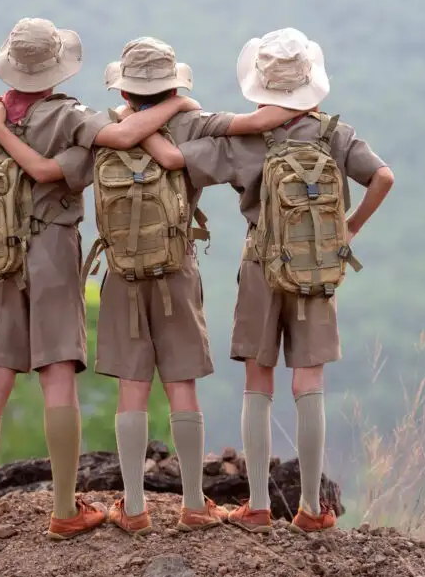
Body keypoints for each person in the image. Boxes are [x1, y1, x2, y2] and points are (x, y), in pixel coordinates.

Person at [0, 18, 200, 542]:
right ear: (57, 69)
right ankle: (62, 509)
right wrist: (176, 104)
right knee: (57, 375)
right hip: (53, 252)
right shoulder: (70, 116)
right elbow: (123, 135)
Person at [0, 36, 299, 535]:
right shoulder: (195, 122)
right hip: (177, 272)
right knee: (181, 384)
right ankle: (194, 503)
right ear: (172, 83)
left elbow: (52, 174)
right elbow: (257, 124)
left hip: (121, 276)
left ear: (125, 91)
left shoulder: (105, 128)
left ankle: (132, 509)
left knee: (132, 388)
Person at [136, 27, 395, 534]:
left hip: (259, 262)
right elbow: (383, 176)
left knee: (259, 378)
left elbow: (170, 160)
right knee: (310, 380)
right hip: (316, 267)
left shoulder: (245, 139)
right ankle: (312, 511)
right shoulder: (333, 133)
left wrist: (135, 123)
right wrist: (350, 227)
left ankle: (256, 505)